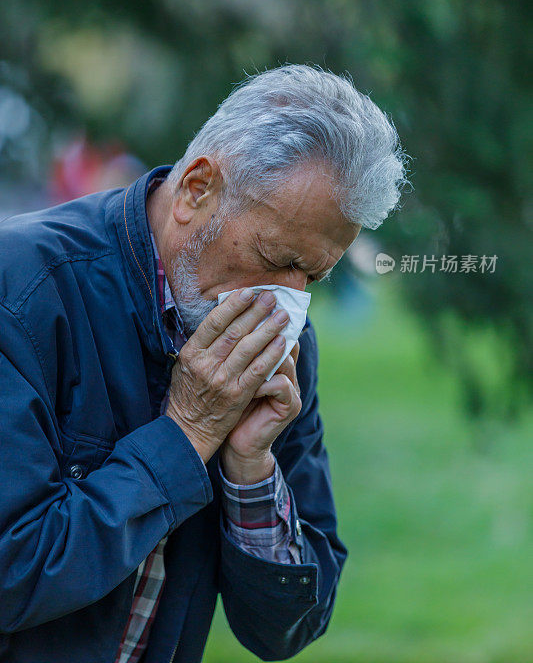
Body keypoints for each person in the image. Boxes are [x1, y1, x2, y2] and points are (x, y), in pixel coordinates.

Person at [0, 64, 409, 662]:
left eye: (314, 276)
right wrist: (187, 434)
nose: (286, 299)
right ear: (197, 188)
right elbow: (14, 575)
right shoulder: (24, 292)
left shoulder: (279, 335)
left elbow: (286, 628)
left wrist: (251, 468)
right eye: (275, 257)